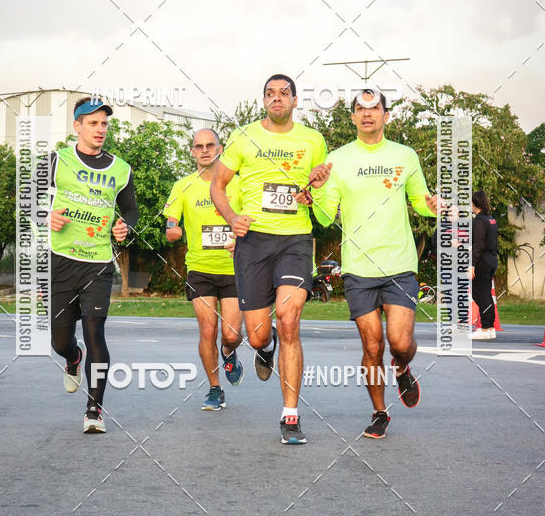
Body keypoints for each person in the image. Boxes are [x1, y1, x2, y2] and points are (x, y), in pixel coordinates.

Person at [306, 87, 438, 439]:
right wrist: (315, 191)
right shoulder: (337, 159)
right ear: (352, 118)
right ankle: (380, 412)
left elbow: (420, 200)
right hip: (358, 268)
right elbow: (323, 216)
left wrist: (433, 205)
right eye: (360, 110)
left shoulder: (405, 155)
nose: (367, 114)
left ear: (385, 115)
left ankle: (404, 368)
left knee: (398, 342)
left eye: (374, 108)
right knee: (372, 346)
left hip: (398, 263)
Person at [210, 74, 328, 445]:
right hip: (254, 243)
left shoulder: (313, 140)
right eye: (270, 94)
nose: (277, 99)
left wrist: (315, 195)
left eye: (284, 93)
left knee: (290, 318)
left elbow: (323, 190)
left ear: (295, 100)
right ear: (263, 101)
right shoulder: (244, 137)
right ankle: (266, 346)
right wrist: (232, 218)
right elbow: (218, 185)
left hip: (294, 239)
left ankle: (290, 416)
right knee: (258, 333)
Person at [48, 97, 138, 433]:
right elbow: (26, 193)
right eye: (93, 123)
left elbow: (131, 211)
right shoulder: (58, 160)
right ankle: (73, 358)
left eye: (104, 124)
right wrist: (46, 213)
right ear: (77, 126)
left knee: (95, 332)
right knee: (60, 341)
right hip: (60, 260)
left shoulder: (120, 169)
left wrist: (125, 226)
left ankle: (94, 410)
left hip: (98, 264)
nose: (100, 129)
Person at [164, 129, 244, 411]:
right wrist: (172, 231)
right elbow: (171, 223)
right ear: (192, 152)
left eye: (210, 145)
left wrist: (244, 240)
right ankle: (214, 388)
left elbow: (253, 221)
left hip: (235, 269)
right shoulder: (182, 186)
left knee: (231, 334)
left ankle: (229, 351)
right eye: (199, 146)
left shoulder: (239, 184)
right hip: (199, 268)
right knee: (207, 329)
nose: (205, 150)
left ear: (220, 149)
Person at [471, 190, 498, 340]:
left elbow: (479, 244)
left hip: (482, 261)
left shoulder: (480, 220)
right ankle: (490, 328)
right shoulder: (491, 219)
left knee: (480, 294)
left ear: (475, 203)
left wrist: (472, 264)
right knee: (486, 294)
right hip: (491, 259)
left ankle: (486, 327)